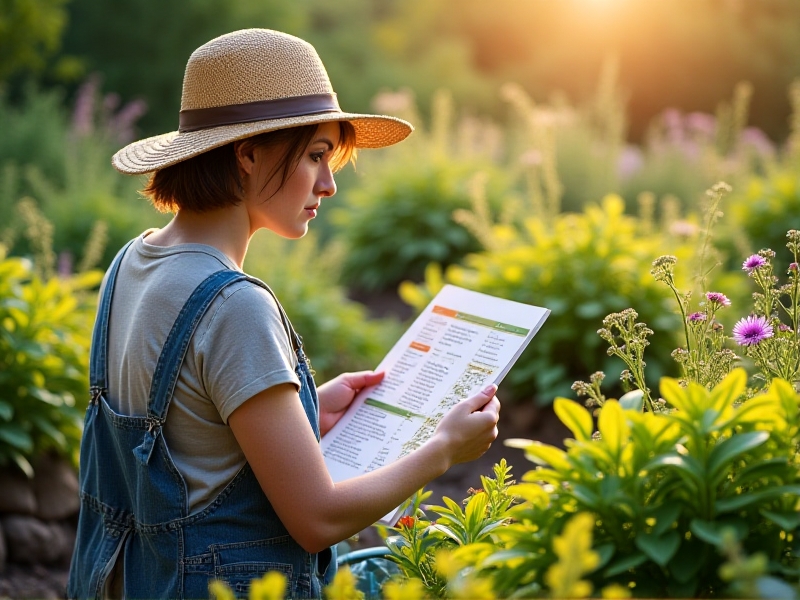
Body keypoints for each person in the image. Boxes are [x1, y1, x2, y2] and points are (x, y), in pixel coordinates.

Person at [67, 28, 500, 599]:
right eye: (316, 156)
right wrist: (443, 449)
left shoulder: (132, 263)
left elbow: (189, 441)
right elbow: (316, 519)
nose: (330, 183)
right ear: (248, 156)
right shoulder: (232, 305)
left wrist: (308, 415)